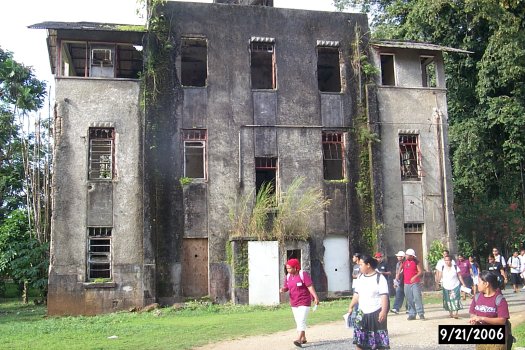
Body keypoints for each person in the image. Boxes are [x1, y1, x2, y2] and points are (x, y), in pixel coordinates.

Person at [347, 254, 390, 350]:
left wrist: (383, 311)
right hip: (361, 312)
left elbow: (384, 296)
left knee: (379, 343)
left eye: (361, 264)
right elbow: (357, 294)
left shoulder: (380, 278)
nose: (359, 267)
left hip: (375, 312)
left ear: (368, 265)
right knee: (359, 341)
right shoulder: (360, 277)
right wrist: (351, 306)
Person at [280, 258, 319, 347]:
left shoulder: (303, 275)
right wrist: (283, 289)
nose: (288, 270)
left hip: (304, 301)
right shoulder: (288, 276)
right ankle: (303, 338)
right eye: (287, 268)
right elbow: (286, 287)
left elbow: (310, 286)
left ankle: (298, 339)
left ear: (296, 268)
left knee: (301, 320)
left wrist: (315, 297)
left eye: (289, 268)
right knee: (298, 321)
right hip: (294, 302)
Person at [469, 271, 510, 350]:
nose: (477, 284)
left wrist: (482, 318)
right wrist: (474, 319)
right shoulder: (477, 297)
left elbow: (502, 320)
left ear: (486, 284)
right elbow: (472, 313)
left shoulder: (499, 300)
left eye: (479, 282)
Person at [402, 248, 425, 320]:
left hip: (415, 283)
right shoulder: (404, 262)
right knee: (409, 299)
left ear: (411, 256)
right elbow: (401, 268)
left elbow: (420, 271)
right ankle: (412, 314)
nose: (406, 256)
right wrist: (397, 275)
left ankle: (421, 313)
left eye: (407, 255)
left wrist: (415, 277)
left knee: (417, 297)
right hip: (406, 283)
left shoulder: (416, 262)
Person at [351, 253, 362, 326]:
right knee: (355, 299)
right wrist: (355, 276)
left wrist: (357, 276)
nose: (353, 258)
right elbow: (353, 275)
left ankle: (358, 313)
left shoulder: (361, 265)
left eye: (354, 257)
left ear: (357, 258)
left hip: (359, 284)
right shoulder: (355, 266)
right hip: (354, 284)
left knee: (359, 299)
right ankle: (355, 312)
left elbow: (360, 274)